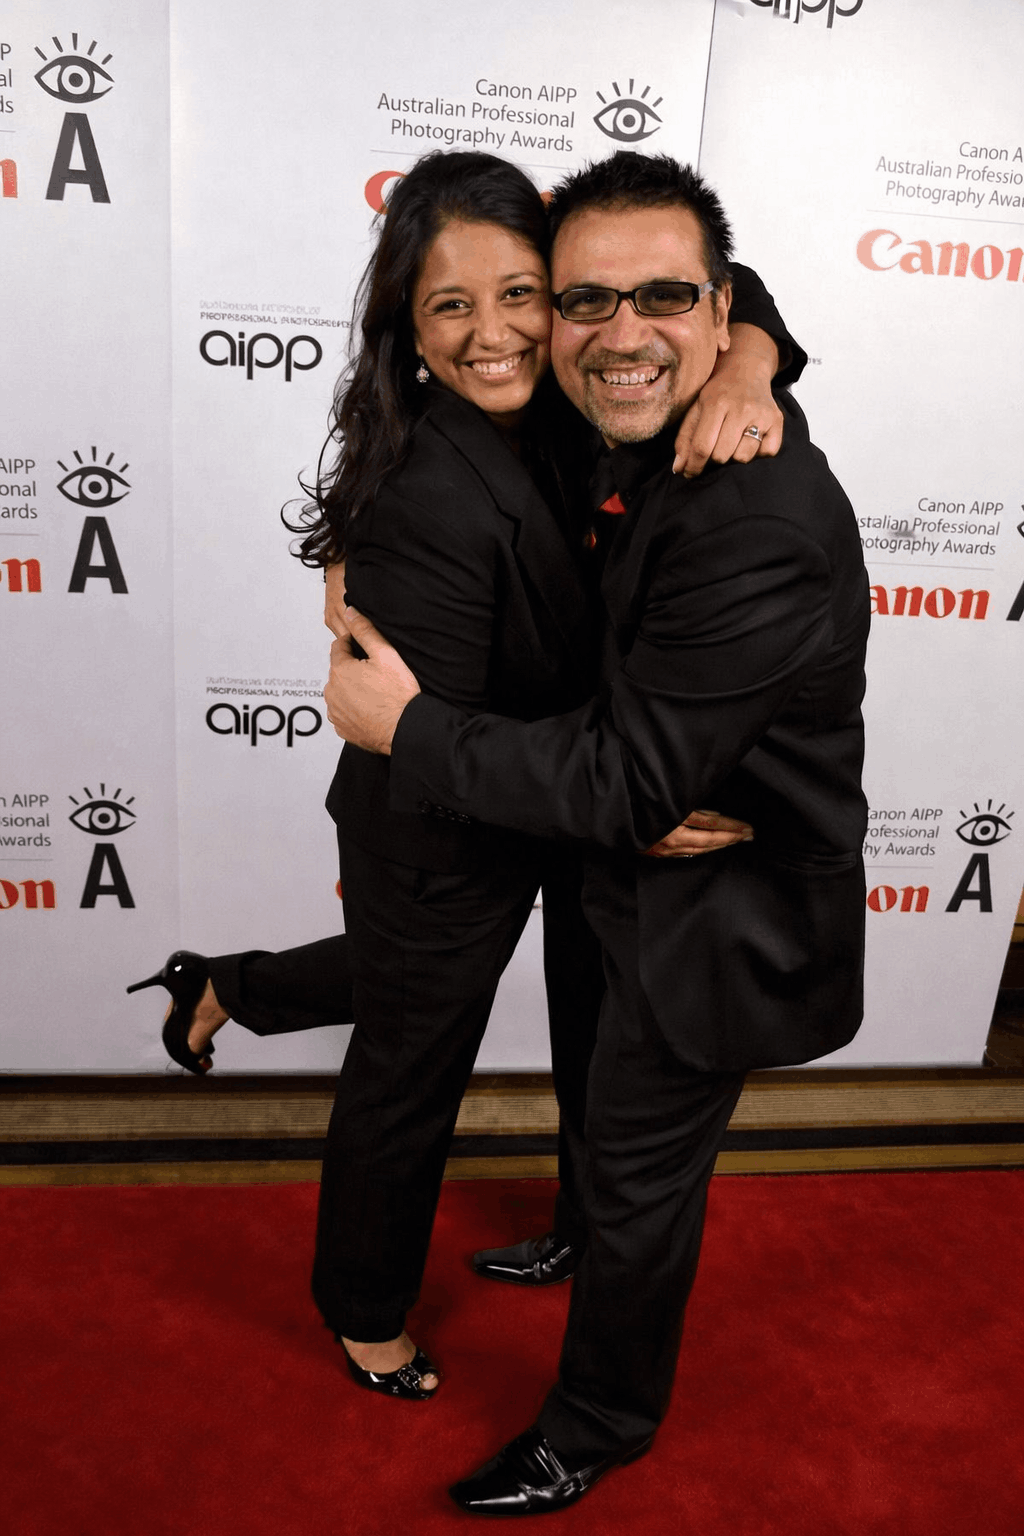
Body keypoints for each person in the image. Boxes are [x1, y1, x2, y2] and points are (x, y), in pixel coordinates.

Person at [128, 149, 803, 1401]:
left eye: (521, 294)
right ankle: (361, 1303)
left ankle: (229, 984)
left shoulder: (578, 378)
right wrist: (628, 800)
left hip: (562, 790)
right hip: (438, 817)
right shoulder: (425, 485)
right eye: (450, 306)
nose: (493, 332)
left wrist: (754, 359)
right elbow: (428, 731)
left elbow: (709, 283)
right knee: (410, 1059)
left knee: (551, 1020)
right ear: (410, 326)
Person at [323, 149, 869, 1512]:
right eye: (581, 303)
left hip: (713, 895)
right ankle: (557, 1232)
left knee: (640, 1183)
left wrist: (405, 727)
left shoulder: (746, 505)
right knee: (529, 1091)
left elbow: (626, 781)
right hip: (593, 851)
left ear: (719, 303)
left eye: (666, 305)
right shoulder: (594, 420)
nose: (611, 332)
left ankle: (600, 1421)